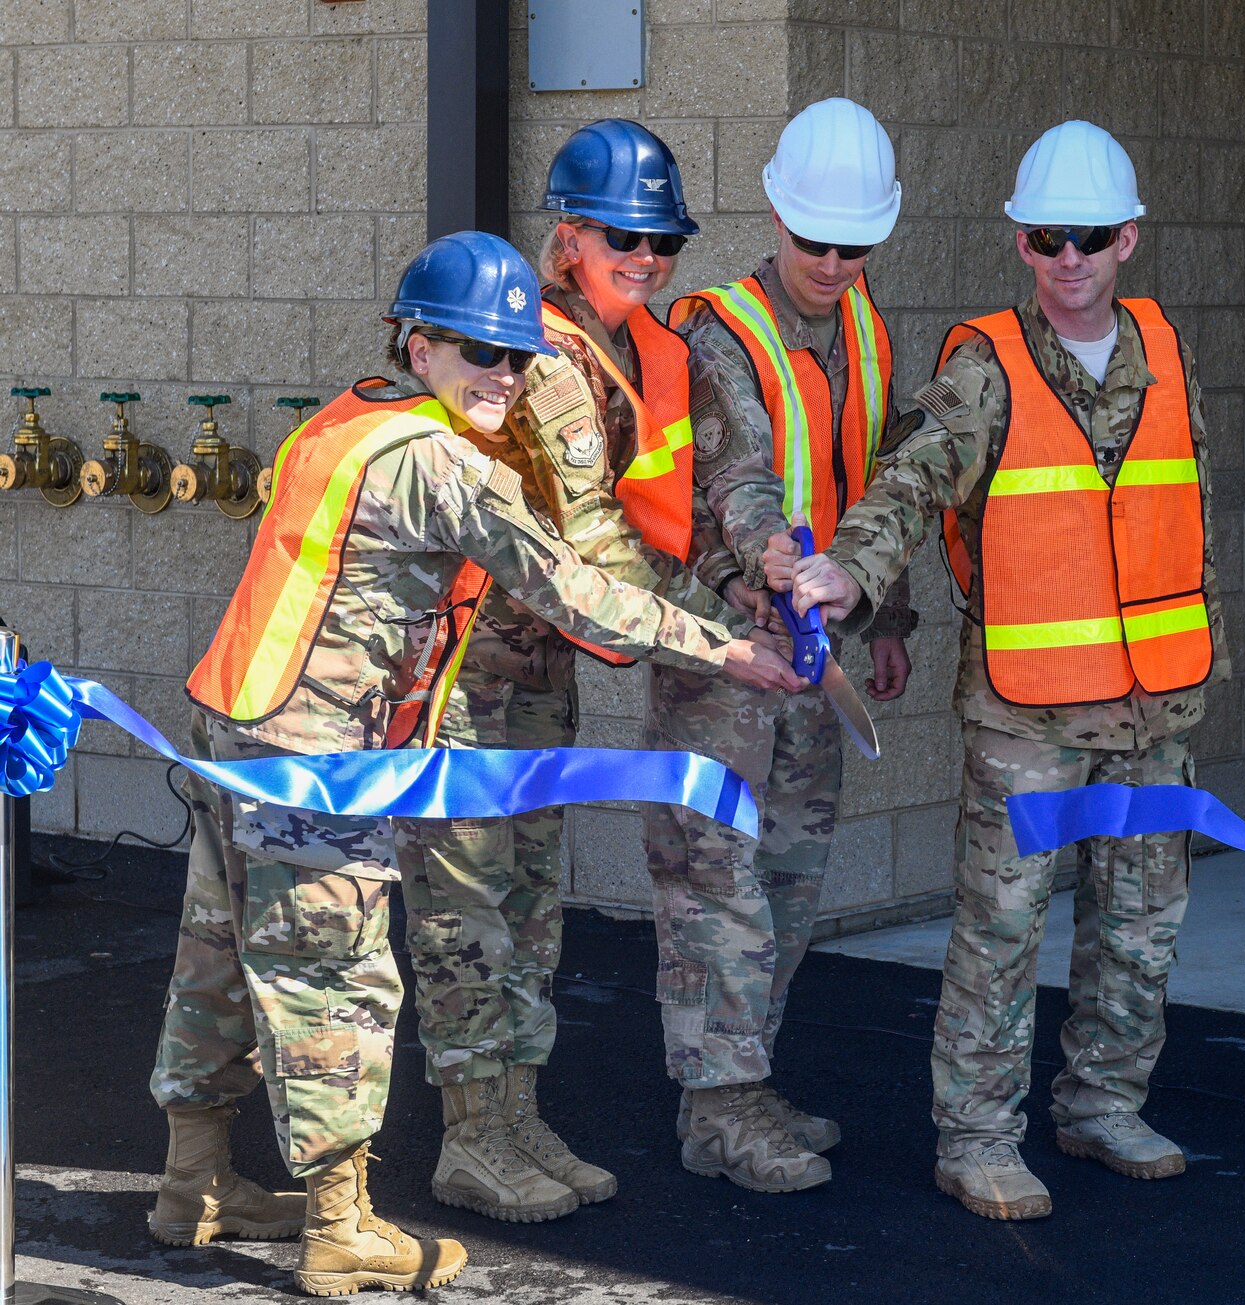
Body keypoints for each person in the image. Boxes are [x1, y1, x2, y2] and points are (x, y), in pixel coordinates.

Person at [149, 230, 800, 1296]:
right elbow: (570, 587)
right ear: (416, 344)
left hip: (239, 729)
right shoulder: (436, 458)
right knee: (335, 979)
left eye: (514, 355)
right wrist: (724, 644)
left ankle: (197, 1183)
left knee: (218, 959)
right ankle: (337, 1223)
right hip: (320, 758)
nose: (501, 375)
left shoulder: (353, 415)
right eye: (473, 353)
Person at [774, 120, 1228, 1222]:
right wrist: (851, 572)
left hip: (1155, 699)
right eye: (1041, 241)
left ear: (1126, 238)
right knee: (1001, 926)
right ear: (1018, 245)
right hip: (1027, 714)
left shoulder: (1165, 349)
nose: (1064, 260)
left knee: (1139, 918)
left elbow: (1188, 517)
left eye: (1084, 238)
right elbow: (910, 481)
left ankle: (1103, 1105)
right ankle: (976, 1138)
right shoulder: (985, 366)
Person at [395, 120, 741, 1225]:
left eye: (663, 242)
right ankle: (468, 1138)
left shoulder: (616, 344)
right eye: (624, 236)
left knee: (531, 905)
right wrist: (719, 636)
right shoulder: (541, 350)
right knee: (466, 913)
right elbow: (594, 544)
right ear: (568, 233)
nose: (645, 258)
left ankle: (514, 1116)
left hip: (537, 669)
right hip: (463, 676)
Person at [647, 95, 915, 1196]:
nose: (834, 262)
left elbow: (873, 475)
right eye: (814, 240)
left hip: (814, 658)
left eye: (856, 245)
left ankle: (744, 1090)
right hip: (726, 658)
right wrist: (770, 560)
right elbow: (739, 477)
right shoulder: (717, 330)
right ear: (772, 213)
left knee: (788, 886)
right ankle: (713, 1111)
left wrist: (885, 616)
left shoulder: (861, 327)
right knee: (715, 885)